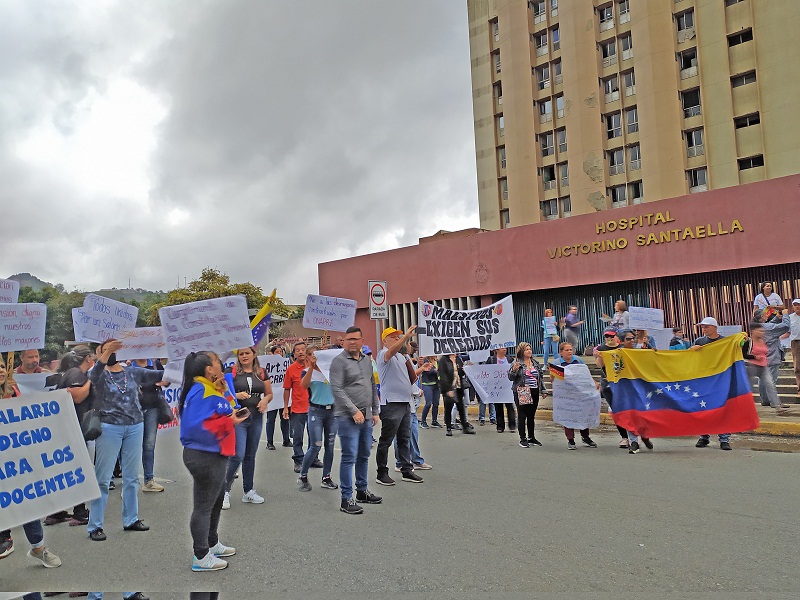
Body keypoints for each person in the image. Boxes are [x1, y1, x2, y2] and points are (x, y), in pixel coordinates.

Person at [86, 339, 165, 542]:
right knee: (102, 478)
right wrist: (105, 355)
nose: (112, 353)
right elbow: (92, 375)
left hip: (135, 426)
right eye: (107, 350)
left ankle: (131, 519)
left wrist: (173, 357)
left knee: (131, 477)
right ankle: (95, 525)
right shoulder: (100, 373)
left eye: (114, 350)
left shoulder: (132, 372)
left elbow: (159, 375)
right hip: (109, 428)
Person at [179, 351, 243, 571]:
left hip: (215, 453)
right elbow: (197, 427)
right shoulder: (201, 390)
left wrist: (225, 390)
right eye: (217, 362)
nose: (221, 364)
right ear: (209, 368)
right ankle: (201, 555)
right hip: (205, 454)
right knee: (204, 506)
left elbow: (230, 406)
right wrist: (230, 423)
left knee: (215, 500)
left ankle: (212, 543)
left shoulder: (210, 387)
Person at [0, 355, 61, 568]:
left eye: (1, 367)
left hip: (17, 461)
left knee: (28, 503)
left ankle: (38, 548)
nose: (0, 371)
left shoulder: (13, 392)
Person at [329, 327, 383, 515]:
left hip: (366, 415)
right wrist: (353, 411)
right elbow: (336, 389)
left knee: (364, 454)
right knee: (349, 456)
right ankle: (346, 498)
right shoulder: (339, 362)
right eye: (348, 339)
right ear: (343, 341)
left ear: (361, 340)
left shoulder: (367, 360)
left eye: (355, 339)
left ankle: (362, 491)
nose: (352, 342)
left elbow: (372, 385)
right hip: (346, 416)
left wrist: (375, 411)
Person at [46, 345, 94, 526]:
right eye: (92, 357)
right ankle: (79, 512)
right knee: (78, 468)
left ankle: (57, 512)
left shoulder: (71, 372)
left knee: (66, 469)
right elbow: (77, 396)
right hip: (72, 427)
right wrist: (91, 381)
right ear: (87, 358)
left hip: (67, 427)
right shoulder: (76, 374)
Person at [222, 347, 271, 509]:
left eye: (247, 353)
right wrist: (236, 395)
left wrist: (264, 401)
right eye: (241, 354)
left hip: (256, 417)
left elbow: (269, 393)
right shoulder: (232, 371)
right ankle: (224, 491)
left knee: (250, 455)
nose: (244, 356)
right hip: (239, 418)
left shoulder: (262, 372)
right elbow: (222, 392)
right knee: (238, 454)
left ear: (254, 355)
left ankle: (248, 491)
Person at [375, 326, 424, 485]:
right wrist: (405, 338)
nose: (398, 339)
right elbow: (390, 352)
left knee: (404, 438)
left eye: (398, 337)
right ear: (384, 340)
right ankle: (381, 473)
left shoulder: (402, 357)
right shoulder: (383, 354)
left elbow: (409, 378)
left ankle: (406, 470)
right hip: (391, 403)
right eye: (393, 337)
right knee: (386, 440)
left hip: (405, 402)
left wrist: (420, 367)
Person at [297, 345, 338, 492]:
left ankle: (326, 477)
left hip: (332, 412)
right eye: (311, 354)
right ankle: (303, 475)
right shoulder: (307, 372)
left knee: (330, 446)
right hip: (316, 412)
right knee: (315, 445)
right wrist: (312, 368)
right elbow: (303, 385)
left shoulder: (330, 371)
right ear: (307, 357)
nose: (315, 356)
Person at [692, 318, 732, 451]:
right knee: (704, 409)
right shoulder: (699, 341)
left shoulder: (725, 341)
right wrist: (693, 350)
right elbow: (689, 357)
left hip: (721, 379)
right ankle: (704, 436)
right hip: (704, 380)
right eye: (702, 327)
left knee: (723, 409)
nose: (704, 329)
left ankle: (724, 439)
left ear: (714, 327)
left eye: (706, 327)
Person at [613, 330, 654, 454]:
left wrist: (651, 349)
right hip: (626, 389)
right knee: (630, 414)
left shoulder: (639, 351)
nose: (631, 341)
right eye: (628, 339)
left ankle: (645, 435)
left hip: (641, 388)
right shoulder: (617, 354)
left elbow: (651, 362)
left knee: (642, 414)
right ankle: (634, 441)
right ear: (622, 341)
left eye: (632, 338)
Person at [554, 342, 598, 449]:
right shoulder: (557, 363)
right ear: (561, 352)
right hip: (566, 396)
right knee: (568, 417)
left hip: (579, 394)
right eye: (567, 350)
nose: (570, 352)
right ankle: (571, 440)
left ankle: (585, 437)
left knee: (583, 414)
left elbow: (585, 374)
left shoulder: (578, 360)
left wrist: (594, 383)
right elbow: (554, 380)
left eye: (571, 349)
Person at [134, 358, 167, 493]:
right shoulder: (128, 365)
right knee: (131, 446)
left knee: (149, 444)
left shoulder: (154, 363)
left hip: (152, 408)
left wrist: (163, 382)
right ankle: (130, 483)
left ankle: (149, 480)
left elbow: (167, 379)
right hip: (132, 409)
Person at [594, 328, 631, 447]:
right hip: (608, 382)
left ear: (617, 337)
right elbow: (600, 366)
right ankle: (624, 437)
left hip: (624, 382)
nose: (609, 339)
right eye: (606, 337)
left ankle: (634, 435)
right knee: (616, 410)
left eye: (611, 336)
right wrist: (599, 356)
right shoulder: (601, 349)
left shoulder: (623, 348)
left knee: (629, 409)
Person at [746, 323, 790, 415]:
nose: (762, 332)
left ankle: (777, 407)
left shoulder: (763, 341)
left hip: (763, 367)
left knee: (770, 385)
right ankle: (745, 407)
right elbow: (744, 355)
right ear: (753, 331)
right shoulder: (748, 342)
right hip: (752, 367)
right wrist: (754, 357)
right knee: (749, 388)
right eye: (759, 331)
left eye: (762, 331)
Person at [283, 341, 313, 473]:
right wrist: (285, 407)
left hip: (314, 407)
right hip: (297, 408)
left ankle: (313, 458)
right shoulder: (291, 369)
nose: (301, 352)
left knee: (314, 435)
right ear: (294, 354)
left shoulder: (313, 367)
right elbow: (287, 389)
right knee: (298, 437)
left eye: (303, 349)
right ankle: (298, 460)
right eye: (298, 350)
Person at [752, 308, 791, 407]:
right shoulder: (768, 327)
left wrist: (777, 318)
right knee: (771, 381)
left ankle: (765, 400)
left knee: (762, 379)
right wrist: (785, 315)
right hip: (772, 356)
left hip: (761, 357)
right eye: (765, 314)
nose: (767, 315)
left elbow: (771, 326)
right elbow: (785, 326)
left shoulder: (756, 327)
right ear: (762, 317)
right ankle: (774, 402)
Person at [508, 342, 543, 448]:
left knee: (531, 415)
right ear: (522, 351)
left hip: (534, 391)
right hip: (522, 391)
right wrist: (514, 370)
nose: (529, 351)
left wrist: (543, 390)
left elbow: (540, 377)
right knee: (522, 415)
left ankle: (531, 437)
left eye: (530, 349)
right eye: (527, 349)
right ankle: (523, 438)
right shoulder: (517, 362)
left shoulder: (535, 363)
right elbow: (511, 377)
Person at [438, 352, 474, 437]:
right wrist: (448, 389)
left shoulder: (458, 359)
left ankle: (465, 427)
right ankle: (448, 428)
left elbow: (460, 374)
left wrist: (464, 369)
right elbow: (443, 376)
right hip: (449, 388)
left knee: (461, 407)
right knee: (448, 408)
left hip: (458, 387)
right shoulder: (443, 360)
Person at [264, 344, 291, 451]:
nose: (279, 354)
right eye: (277, 352)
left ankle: (286, 440)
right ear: (272, 353)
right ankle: (269, 442)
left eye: (280, 352)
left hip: (283, 394)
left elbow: (289, 351)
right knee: (271, 419)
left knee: (285, 418)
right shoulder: (267, 364)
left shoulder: (286, 363)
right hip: (272, 394)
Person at [486, 348, 515, 433]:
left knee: (510, 406)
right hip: (496, 387)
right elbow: (486, 371)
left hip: (508, 387)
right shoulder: (491, 360)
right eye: (502, 348)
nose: (504, 349)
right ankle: (500, 426)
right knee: (498, 407)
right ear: (497, 349)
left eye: (505, 348)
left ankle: (512, 425)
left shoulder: (510, 359)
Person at [419, 356, 441, 428]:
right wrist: (435, 370)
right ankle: (423, 421)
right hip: (427, 384)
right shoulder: (425, 361)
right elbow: (426, 371)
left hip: (436, 385)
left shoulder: (437, 361)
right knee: (428, 403)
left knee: (436, 403)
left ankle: (434, 421)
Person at [790, 299, 800, 397]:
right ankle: (799, 388)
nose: (797, 307)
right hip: (796, 342)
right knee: (797, 366)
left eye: (799, 305)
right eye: (795, 305)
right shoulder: (790, 318)